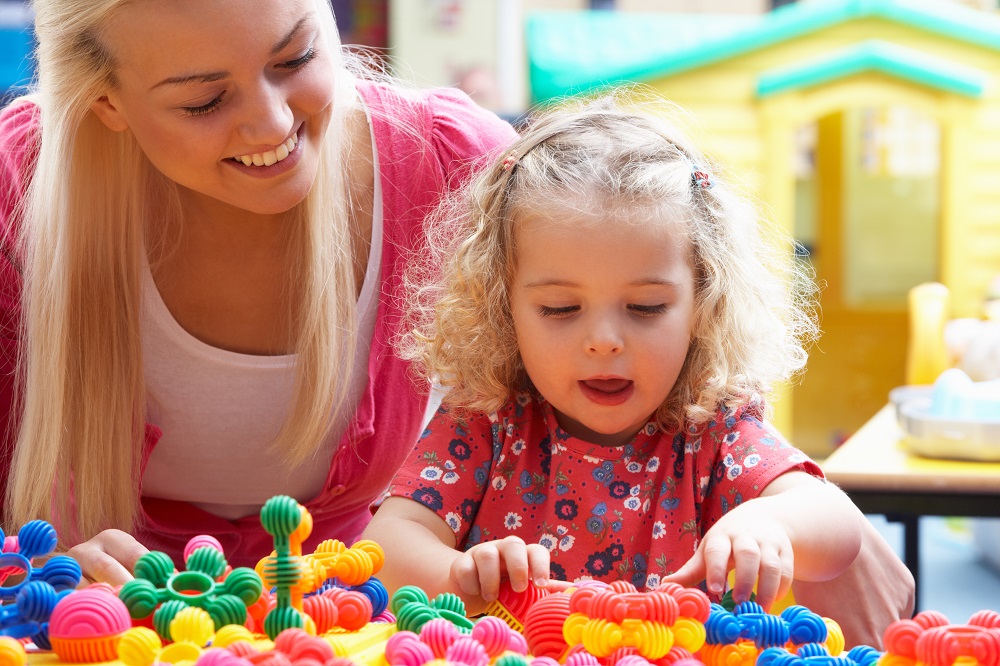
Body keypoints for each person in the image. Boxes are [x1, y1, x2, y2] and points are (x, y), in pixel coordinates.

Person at [0, 0, 517, 581]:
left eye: (296, 57)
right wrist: (29, 573)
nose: (272, 125)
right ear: (107, 102)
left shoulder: (453, 165)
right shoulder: (16, 194)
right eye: (205, 100)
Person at [363, 92, 870, 621]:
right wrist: (455, 575)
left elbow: (837, 524)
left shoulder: (711, 426)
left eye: (646, 307)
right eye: (560, 309)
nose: (604, 340)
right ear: (501, 305)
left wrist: (772, 524)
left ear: (703, 301)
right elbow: (387, 544)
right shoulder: (487, 420)